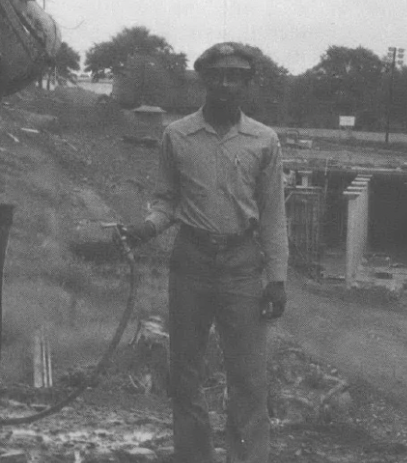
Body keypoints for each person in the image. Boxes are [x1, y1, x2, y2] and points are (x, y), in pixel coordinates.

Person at [117, 42, 288, 463]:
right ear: (204, 79)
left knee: (248, 378)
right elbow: (167, 200)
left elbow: (272, 216)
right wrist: (146, 228)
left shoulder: (264, 141)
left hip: (243, 267)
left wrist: (278, 279)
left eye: (235, 76)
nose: (226, 83)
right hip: (191, 263)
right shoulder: (177, 135)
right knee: (185, 375)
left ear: (247, 83)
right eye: (217, 75)